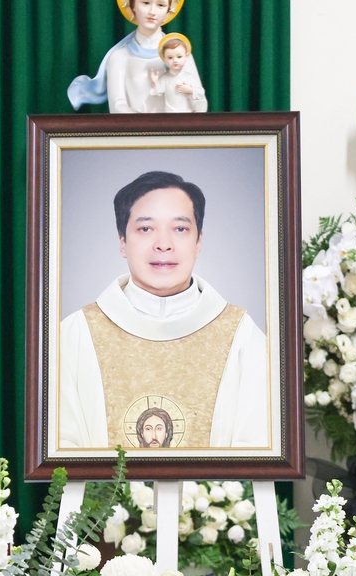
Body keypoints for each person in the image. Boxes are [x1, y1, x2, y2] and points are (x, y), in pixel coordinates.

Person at [59, 171, 269, 450]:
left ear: (199, 241)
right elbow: (60, 449)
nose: (163, 244)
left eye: (180, 229)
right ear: (122, 242)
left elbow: (258, 451)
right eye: (146, 229)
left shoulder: (243, 337)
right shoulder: (73, 335)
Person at [67, 0, 208, 114]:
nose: (152, 11)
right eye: (145, 3)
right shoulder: (119, 57)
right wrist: (149, 126)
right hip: (136, 135)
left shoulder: (180, 55)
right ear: (133, 5)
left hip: (176, 133)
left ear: (168, 9)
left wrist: (192, 121)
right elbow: (117, 105)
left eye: (160, 5)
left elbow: (199, 100)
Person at [148, 33, 204, 113]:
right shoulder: (165, 78)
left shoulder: (189, 77)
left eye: (179, 57)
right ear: (164, 59)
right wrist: (155, 82)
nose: (175, 61)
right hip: (169, 114)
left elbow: (201, 93)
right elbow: (157, 92)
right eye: (170, 57)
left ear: (186, 57)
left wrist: (190, 90)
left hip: (186, 114)